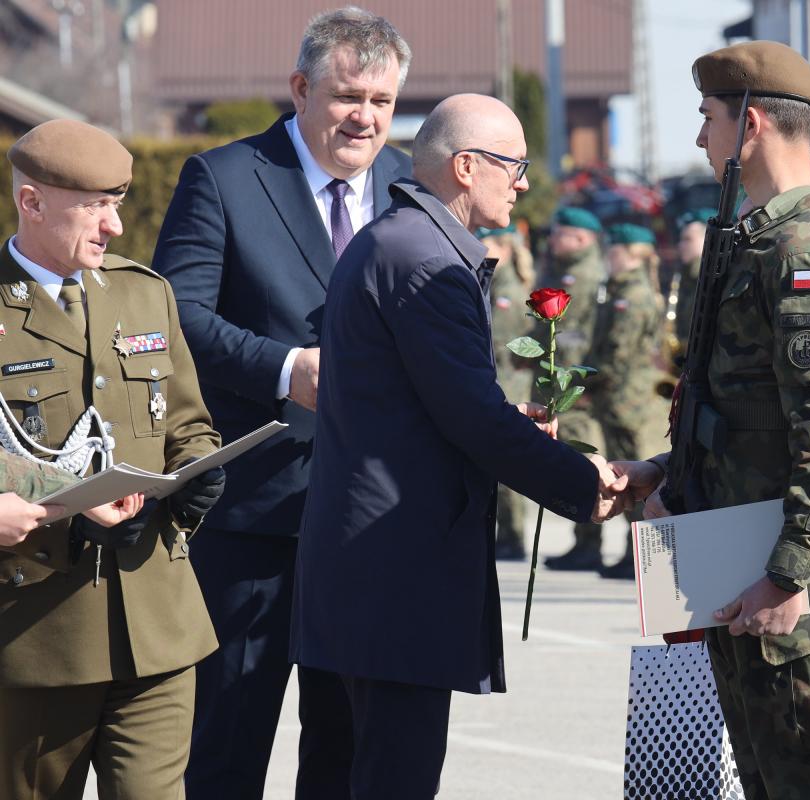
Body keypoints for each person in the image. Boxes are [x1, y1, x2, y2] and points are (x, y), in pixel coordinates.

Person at [290, 93, 627, 800]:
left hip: (363, 572)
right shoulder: (424, 259)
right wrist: (582, 482)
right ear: (467, 167)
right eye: (515, 165)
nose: (524, 184)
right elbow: (470, 418)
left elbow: (421, 405)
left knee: (343, 773)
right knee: (390, 778)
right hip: (395, 576)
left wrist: (507, 422)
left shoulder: (397, 240)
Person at [151, 9, 413, 797]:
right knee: (225, 746)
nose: (364, 117)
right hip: (252, 519)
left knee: (345, 753)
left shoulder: (411, 185)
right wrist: (285, 368)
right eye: (347, 96)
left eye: (382, 100)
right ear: (300, 88)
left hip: (370, 522)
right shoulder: (225, 177)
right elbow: (176, 316)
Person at [613, 40, 810, 798]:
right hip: (739, 560)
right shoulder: (759, 238)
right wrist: (667, 476)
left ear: (752, 124)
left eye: (710, 118)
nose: (701, 137)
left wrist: (790, 571)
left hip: (790, 583)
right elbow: (743, 411)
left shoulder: (804, 249)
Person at [0, 119, 226, 800]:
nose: (115, 226)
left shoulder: (142, 292)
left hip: (156, 622)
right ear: (32, 202)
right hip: (37, 637)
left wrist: (198, 473)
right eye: (95, 206)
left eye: (118, 203)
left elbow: (187, 423)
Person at [586, 222, 664, 579]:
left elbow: (617, 354)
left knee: (630, 480)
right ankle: (633, 554)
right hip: (615, 397)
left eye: (614, 252)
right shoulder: (620, 290)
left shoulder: (632, 296)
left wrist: (585, 380)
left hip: (625, 399)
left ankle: (640, 557)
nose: (609, 258)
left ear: (631, 256)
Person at [539, 205, 610, 571]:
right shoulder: (565, 271)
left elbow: (584, 337)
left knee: (585, 460)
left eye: (560, 233)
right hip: (565, 380)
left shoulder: (587, 276)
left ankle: (589, 543)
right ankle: (583, 540)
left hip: (576, 384)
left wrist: (576, 383)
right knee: (573, 459)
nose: (552, 240)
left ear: (581, 239)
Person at [478, 222, 534, 560]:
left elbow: (501, 345)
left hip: (508, 382)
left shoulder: (507, 295)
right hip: (501, 380)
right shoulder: (494, 285)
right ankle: (507, 534)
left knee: (506, 464)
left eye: (486, 243)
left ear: (505, 248)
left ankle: (513, 536)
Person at [668, 207, 713, 356]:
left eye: (688, 239)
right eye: (681, 240)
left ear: (708, 239)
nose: (680, 246)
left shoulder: (713, 278)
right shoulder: (685, 276)